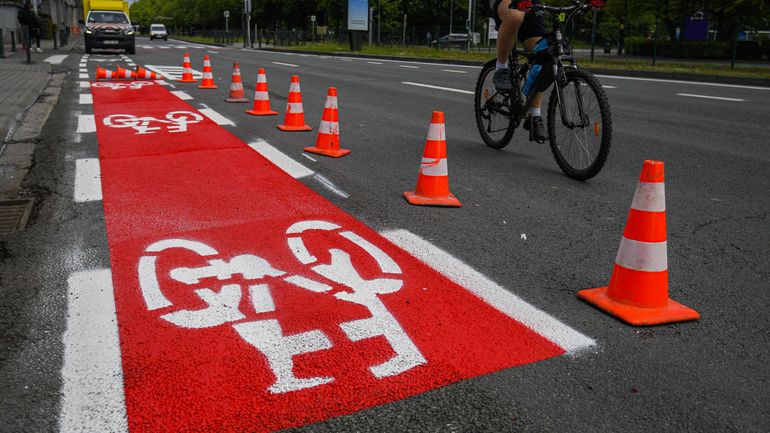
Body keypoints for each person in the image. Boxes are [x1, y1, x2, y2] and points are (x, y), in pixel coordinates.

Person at [488, 0, 548, 141]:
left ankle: (535, 115)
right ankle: (501, 68)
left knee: (542, 54)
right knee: (515, 16)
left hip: (531, 3)